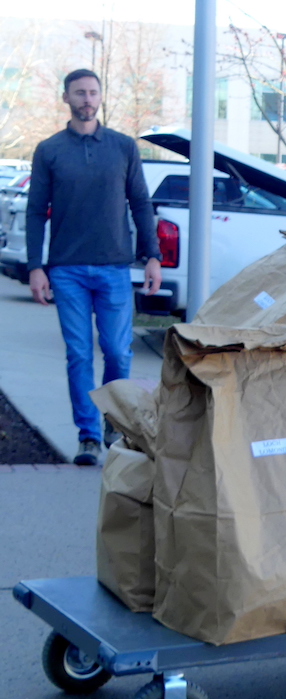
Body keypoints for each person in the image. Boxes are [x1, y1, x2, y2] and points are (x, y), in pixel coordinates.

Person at [26, 68, 162, 466]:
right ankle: (87, 436)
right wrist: (36, 266)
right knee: (79, 354)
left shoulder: (122, 147)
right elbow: (36, 212)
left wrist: (151, 255)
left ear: (101, 97)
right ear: (66, 98)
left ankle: (113, 420)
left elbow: (140, 204)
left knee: (119, 351)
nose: (87, 99)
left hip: (115, 267)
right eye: (79, 93)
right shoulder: (49, 150)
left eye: (92, 92)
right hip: (67, 269)